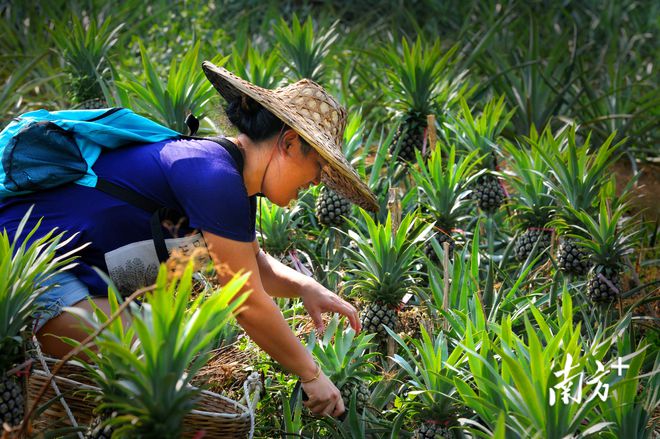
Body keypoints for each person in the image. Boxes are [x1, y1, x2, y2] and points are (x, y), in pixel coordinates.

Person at [0, 62, 379, 418]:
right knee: (150, 357)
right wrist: (311, 374)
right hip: (28, 263)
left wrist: (306, 287)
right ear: (291, 144)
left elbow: (252, 266)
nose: (316, 182)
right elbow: (245, 299)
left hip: (72, 273)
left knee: (160, 351)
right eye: (319, 167)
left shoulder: (233, 184)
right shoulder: (212, 174)